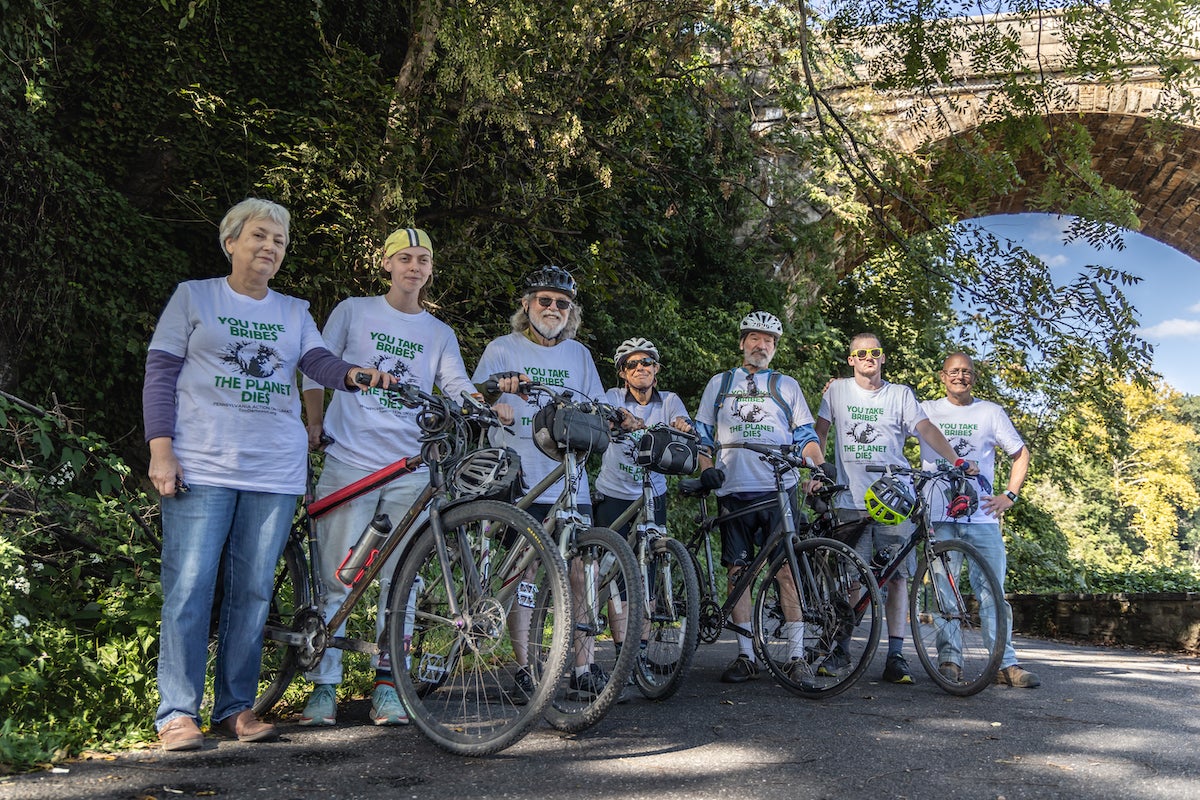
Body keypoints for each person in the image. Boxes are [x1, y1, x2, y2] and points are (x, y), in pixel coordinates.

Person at [143, 198, 393, 751]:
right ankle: (177, 713)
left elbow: (317, 363)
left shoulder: (292, 310)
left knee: (254, 592)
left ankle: (236, 708)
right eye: (259, 236)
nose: (269, 247)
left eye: (278, 241)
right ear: (231, 241)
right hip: (203, 463)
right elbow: (160, 375)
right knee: (189, 587)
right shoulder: (195, 296)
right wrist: (161, 450)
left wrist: (351, 374)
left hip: (274, 469)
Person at [296, 228, 513, 727]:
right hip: (350, 458)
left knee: (402, 579)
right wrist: (313, 421)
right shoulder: (354, 310)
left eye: (423, 259)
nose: (414, 267)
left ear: (431, 269)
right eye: (405, 258)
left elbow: (455, 383)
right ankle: (323, 687)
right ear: (387, 264)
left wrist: (486, 408)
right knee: (338, 577)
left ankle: (389, 686)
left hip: (409, 466)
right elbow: (314, 367)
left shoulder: (439, 332)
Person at [471, 265, 615, 701]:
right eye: (545, 301)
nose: (553, 309)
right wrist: (497, 398)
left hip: (572, 480)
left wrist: (616, 415)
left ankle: (584, 665)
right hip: (523, 478)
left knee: (581, 571)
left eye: (562, 304)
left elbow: (600, 404)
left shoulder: (580, 355)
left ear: (571, 312)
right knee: (526, 570)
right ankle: (525, 668)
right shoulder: (502, 348)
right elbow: (473, 397)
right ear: (527, 304)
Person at [815, 332, 973, 685]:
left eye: (875, 352)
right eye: (862, 353)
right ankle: (841, 649)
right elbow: (820, 433)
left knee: (897, 577)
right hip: (850, 499)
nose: (869, 357)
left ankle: (896, 655)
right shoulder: (836, 391)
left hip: (895, 500)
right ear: (851, 359)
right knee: (851, 577)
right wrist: (817, 471)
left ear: (883, 358)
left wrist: (956, 459)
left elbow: (925, 428)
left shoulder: (900, 394)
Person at [693, 311, 829, 684]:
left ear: (775, 348)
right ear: (742, 343)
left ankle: (796, 656)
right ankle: (746, 655)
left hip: (777, 488)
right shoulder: (719, 383)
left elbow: (806, 437)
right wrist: (707, 468)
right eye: (755, 338)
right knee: (738, 574)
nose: (762, 345)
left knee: (786, 571)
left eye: (769, 340)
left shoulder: (787, 386)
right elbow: (703, 435)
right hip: (733, 488)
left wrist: (819, 467)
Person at [919, 352, 1039, 688]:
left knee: (993, 592)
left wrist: (1009, 496)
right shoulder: (926, 410)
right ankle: (949, 661)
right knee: (945, 592)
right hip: (940, 514)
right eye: (954, 371)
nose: (960, 376)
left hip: (983, 518)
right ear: (942, 376)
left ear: (974, 377)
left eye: (967, 371)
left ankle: (1005, 663)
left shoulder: (990, 412)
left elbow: (1020, 452)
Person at [592, 337, 694, 664]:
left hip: (653, 494)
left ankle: (643, 652)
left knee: (647, 572)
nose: (641, 369)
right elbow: (603, 420)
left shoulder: (670, 401)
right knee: (615, 573)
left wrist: (683, 427)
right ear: (623, 373)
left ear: (656, 369)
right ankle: (623, 651)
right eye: (632, 364)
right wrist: (619, 418)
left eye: (646, 362)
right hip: (613, 494)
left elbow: (686, 428)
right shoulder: (610, 396)